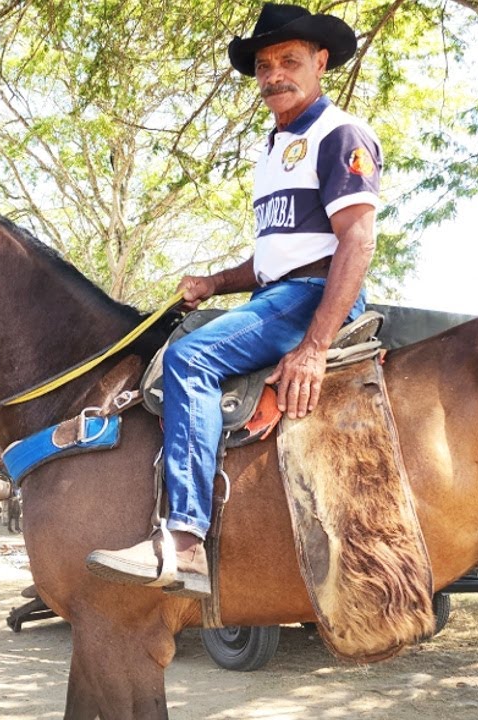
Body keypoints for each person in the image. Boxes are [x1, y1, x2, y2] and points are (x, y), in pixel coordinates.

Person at [86, 2, 380, 599]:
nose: (274, 75)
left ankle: (187, 539)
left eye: (289, 61)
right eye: (265, 65)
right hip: (281, 291)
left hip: (314, 297)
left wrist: (314, 347)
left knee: (189, 360)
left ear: (320, 63)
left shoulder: (338, 133)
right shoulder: (273, 149)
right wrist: (216, 283)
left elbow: (356, 239)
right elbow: (278, 252)